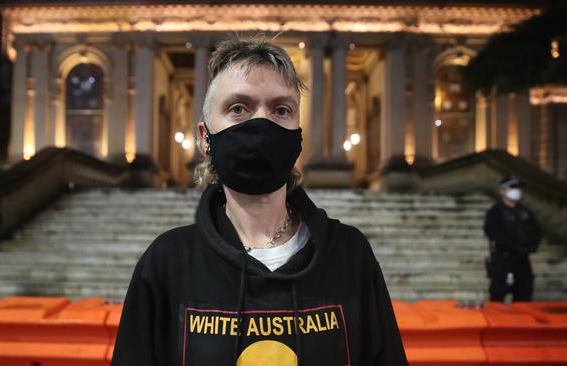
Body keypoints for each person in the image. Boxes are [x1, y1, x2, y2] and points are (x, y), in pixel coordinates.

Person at [112, 38, 407, 365]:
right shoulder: (166, 263)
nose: (261, 124)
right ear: (205, 137)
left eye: (281, 110)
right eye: (239, 108)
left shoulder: (350, 255)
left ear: (298, 133)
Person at [484, 176, 542, 302]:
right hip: (503, 257)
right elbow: (492, 232)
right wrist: (513, 245)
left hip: (522, 259)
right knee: (498, 294)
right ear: (502, 191)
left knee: (524, 293)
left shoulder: (525, 212)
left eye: (518, 188)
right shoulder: (496, 211)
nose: (517, 191)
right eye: (513, 187)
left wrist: (529, 247)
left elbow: (536, 232)